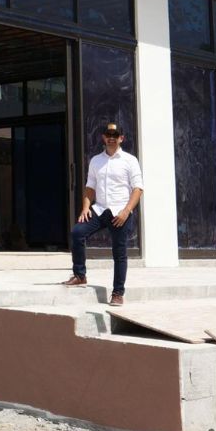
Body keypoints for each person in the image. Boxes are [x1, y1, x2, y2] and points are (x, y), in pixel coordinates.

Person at [61, 122, 143, 306]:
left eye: (115, 135)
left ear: (121, 138)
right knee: (77, 232)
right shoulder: (96, 160)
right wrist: (85, 208)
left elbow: (138, 189)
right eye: (108, 134)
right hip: (100, 209)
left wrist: (126, 211)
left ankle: (118, 293)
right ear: (103, 138)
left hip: (120, 212)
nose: (111, 138)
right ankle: (80, 275)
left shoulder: (130, 160)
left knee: (119, 253)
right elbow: (90, 187)